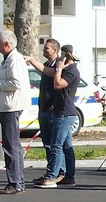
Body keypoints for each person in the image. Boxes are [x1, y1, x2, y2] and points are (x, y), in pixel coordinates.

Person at [27, 39, 80, 187]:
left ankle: (53, 176)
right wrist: (31, 60)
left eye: (62, 56)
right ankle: (66, 176)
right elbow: (46, 71)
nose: (60, 59)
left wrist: (58, 68)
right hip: (58, 111)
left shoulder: (70, 71)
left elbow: (57, 84)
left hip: (62, 112)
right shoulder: (60, 68)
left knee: (56, 145)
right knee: (65, 146)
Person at [0, 29, 31, 195]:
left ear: (6, 44)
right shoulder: (9, 59)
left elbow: (15, 83)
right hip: (7, 105)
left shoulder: (15, 60)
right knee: (12, 145)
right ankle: (17, 181)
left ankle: (15, 182)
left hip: (12, 106)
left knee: (11, 146)